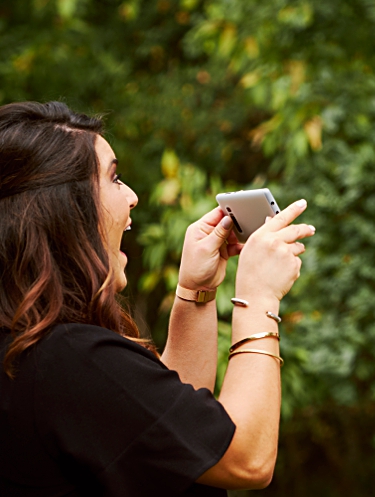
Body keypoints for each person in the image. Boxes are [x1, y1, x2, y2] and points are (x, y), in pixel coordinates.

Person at [0, 101, 315, 496]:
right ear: (64, 209)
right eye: (113, 179)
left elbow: (172, 429)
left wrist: (196, 293)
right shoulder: (65, 358)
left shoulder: (27, 353)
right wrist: (259, 298)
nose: (132, 196)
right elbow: (246, 458)